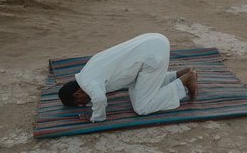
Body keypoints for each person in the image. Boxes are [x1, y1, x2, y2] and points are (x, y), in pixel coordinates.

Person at [58, 33, 198, 122]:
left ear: (77, 93)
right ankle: (179, 74)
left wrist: (95, 117)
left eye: (81, 103)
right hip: (153, 39)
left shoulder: (88, 84)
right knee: (136, 90)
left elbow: (100, 99)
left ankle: (185, 80)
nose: (85, 104)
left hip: (152, 55)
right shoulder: (86, 71)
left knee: (142, 107)